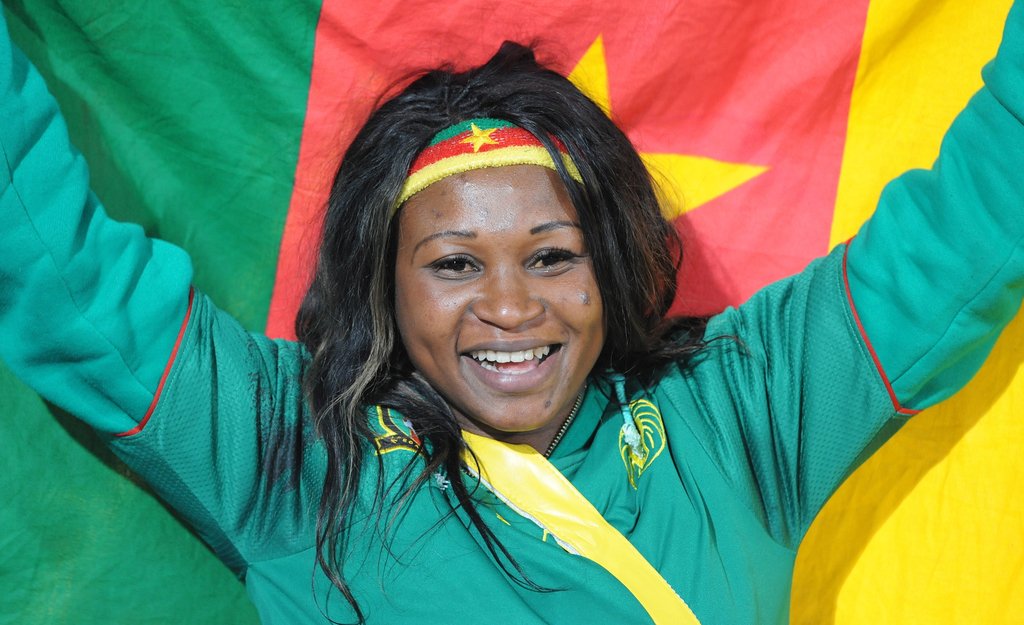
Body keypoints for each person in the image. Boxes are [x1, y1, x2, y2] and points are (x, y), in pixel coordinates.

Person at [1, 2, 1022, 624]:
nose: (508, 306)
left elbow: (981, 219)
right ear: (385, 287)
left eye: (551, 256)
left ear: (607, 264)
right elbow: (57, 267)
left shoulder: (740, 419)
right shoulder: (294, 452)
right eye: (453, 264)